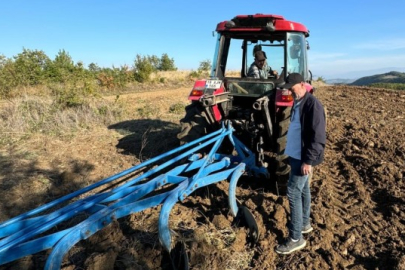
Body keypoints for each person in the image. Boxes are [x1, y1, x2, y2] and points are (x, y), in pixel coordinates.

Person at [275, 73, 326, 255]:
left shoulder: (313, 105)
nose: (290, 89)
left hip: (303, 157)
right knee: (303, 190)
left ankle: (295, 238)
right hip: (296, 155)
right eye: (288, 87)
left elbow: (318, 137)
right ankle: (304, 223)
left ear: (302, 84)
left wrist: (308, 160)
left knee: (292, 192)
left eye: (292, 86)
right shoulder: (297, 102)